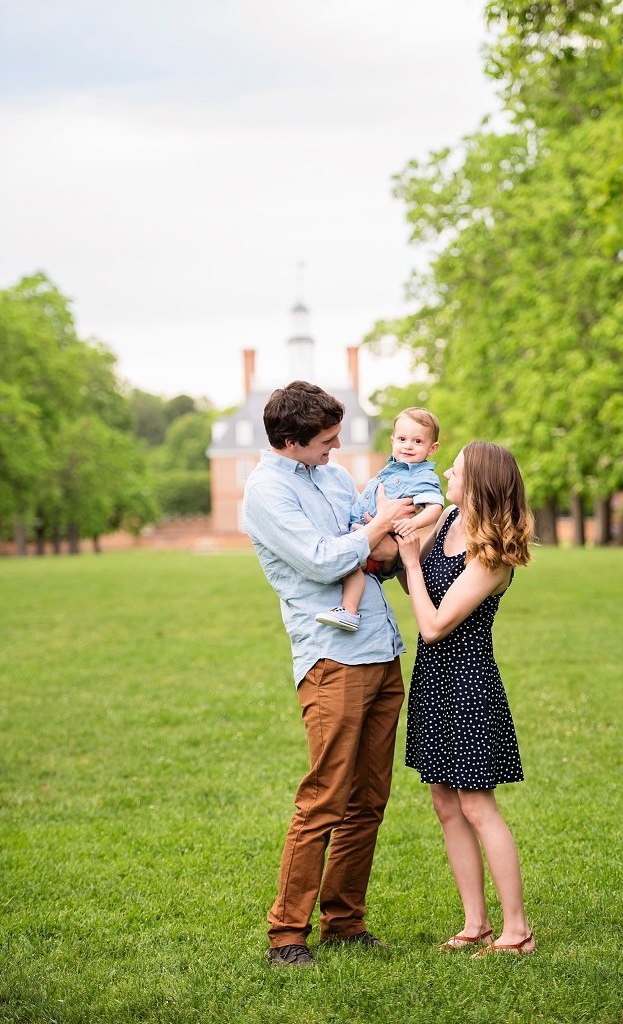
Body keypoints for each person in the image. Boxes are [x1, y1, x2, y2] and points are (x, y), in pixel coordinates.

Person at [242, 381, 416, 968]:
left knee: (369, 800)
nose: (337, 447)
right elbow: (322, 560)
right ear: (291, 441)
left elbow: (369, 555)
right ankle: (287, 936)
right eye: (326, 439)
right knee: (325, 798)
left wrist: (388, 536)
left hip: (381, 648)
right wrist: (377, 526)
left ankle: (344, 923)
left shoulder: (335, 478)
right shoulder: (267, 491)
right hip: (332, 658)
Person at [398, 441, 536, 956]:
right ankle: (475, 923)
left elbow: (433, 625)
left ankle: (517, 931)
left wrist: (412, 564)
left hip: (468, 686)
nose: (446, 476)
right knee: (444, 803)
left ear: (478, 483)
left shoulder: (490, 556)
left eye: (455, 470)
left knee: (478, 807)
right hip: (433, 681)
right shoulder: (450, 518)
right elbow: (411, 578)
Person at [315, 407, 444, 632]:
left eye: (417, 441)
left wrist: (413, 523)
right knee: (351, 562)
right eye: (402, 439)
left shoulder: (423, 476)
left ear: (432, 448)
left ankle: (349, 610)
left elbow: (435, 506)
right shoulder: (391, 469)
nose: (408, 446)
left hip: (380, 538)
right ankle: (348, 609)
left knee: (352, 564)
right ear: (393, 441)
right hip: (364, 530)